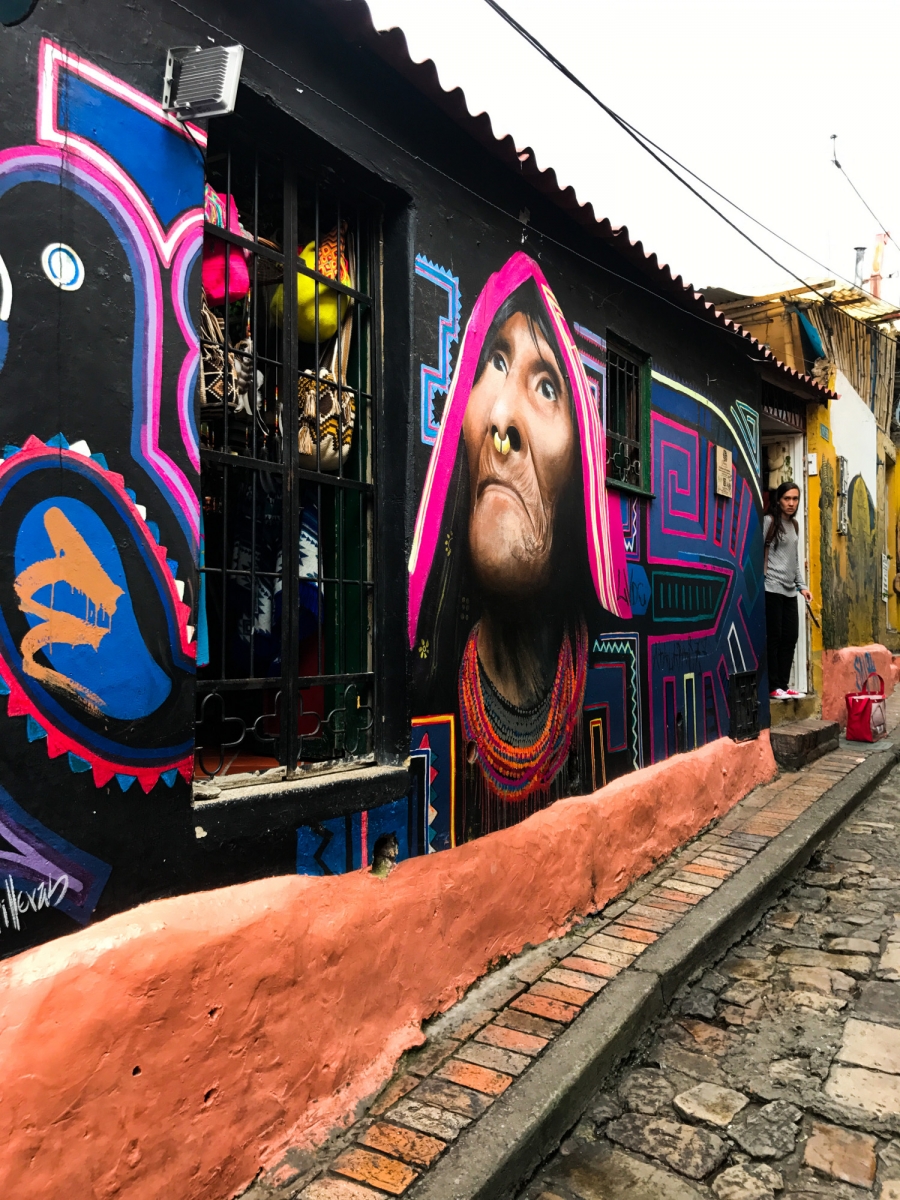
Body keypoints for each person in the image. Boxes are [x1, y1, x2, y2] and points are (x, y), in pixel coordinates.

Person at [408, 252, 630, 836]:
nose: (502, 418)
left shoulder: (605, 674)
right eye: (496, 362)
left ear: (581, 472)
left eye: (547, 386)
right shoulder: (421, 684)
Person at [763, 481, 812, 699]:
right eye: (787, 499)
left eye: (795, 499)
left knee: (790, 637)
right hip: (771, 587)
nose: (791, 503)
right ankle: (773, 686)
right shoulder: (769, 521)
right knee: (774, 638)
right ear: (779, 500)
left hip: (790, 591)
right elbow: (756, 551)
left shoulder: (794, 526)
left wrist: (802, 586)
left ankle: (783, 684)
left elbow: (794, 561)